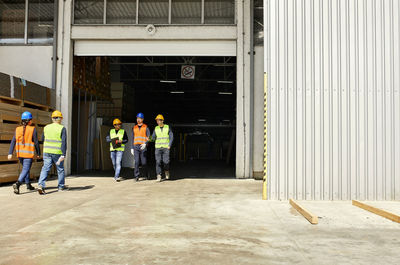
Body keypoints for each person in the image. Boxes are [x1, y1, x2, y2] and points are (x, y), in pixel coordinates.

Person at [8, 111, 41, 194]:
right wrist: (38, 153)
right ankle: (18, 184)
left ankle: (28, 185)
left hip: (20, 154)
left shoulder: (17, 129)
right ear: (30, 121)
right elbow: (36, 142)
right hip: (28, 154)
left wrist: (10, 153)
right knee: (26, 169)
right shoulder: (33, 129)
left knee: (25, 170)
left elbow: (13, 141)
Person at [37, 110, 67, 194]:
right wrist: (63, 154)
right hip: (57, 152)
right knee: (60, 169)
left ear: (52, 118)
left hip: (46, 151)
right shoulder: (62, 128)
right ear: (60, 119)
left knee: (45, 168)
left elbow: (42, 139)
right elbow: (64, 142)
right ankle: (61, 187)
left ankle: (41, 185)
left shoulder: (46, 127)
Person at [152, 114, 173, 182]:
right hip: (158, 148)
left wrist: (169, 145)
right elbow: (153, 137)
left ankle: (166, 171)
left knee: (166, 162)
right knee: (158, 162)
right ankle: (159, 175)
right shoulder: (156, 128)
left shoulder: (167, 127)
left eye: (159, 120)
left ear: (162, 121)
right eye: (157, 120)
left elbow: (171, 137)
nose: (157, 122)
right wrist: (148, 139)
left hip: (166, 148)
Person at [131, 113, 150, 182]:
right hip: (136, 147)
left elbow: (148, 137)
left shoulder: (146, 127)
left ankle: (146, 174)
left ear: (142, 119)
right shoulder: (134, 127)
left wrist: (145, 144)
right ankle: (136, 176)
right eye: (137, 118)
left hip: (143, 147)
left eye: (139, 118)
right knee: (136, 162)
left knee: (144, 162)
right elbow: (132, 138)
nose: (138, 119)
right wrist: (131, 148)